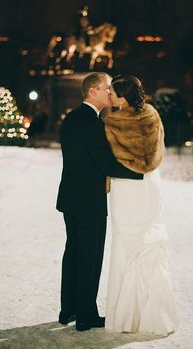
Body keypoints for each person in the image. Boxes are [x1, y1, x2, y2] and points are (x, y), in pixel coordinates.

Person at [56, 72, 143, 332]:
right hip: (88, 202)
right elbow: (105, 162)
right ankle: (86, 316)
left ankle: (68, 308)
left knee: (73, 254)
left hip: (71, 198)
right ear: (92, 91)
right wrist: (139, 170)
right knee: (89, 258)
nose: (110, 92)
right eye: (106, 88)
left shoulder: (72, 118)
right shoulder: (91, 123)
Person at [104, 75, 179, 334]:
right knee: (149, 241)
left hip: (127, 187)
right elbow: (158, 150)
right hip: (149, 183)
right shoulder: (151, 114)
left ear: (123, 98)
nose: (109, 97)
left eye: (112, 93)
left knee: (126, 243)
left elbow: (108, 159)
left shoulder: (112, 120)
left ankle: (126, 316)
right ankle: (155, 314)